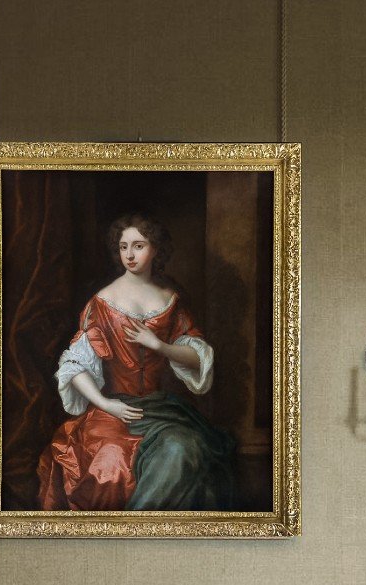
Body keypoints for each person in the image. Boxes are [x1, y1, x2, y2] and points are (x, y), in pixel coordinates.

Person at [37, 213, 234, 511]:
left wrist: (159, 345)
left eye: (138, 246)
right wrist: (106, 404)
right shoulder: (103, 302)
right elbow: (74, 366)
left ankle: (143, 528)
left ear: (155, 249)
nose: (129, 254)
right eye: (123, 246)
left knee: (184, 446)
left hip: (160, 410)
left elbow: (198, 356)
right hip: (113, 409)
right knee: (111, 461)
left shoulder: (170, 300)